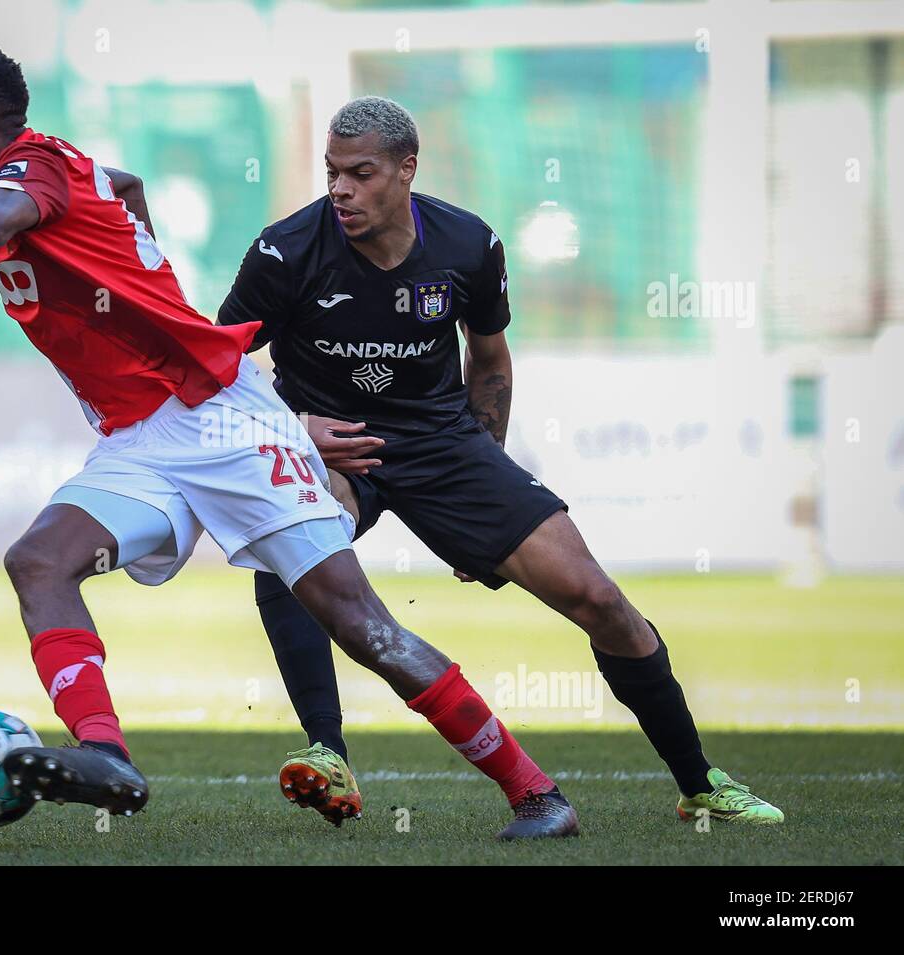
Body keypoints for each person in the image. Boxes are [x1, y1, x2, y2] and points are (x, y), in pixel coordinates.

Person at [0, 49, 577, 838]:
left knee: (364, 629)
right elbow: (121, 184)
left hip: (223, 418)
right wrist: (139, 255)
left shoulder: (35, 170)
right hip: (143, 437)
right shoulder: (56, 173)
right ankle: (109, 757)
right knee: (38, 562)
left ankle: (535, 791)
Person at [217, 95, 783, 827]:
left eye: (360, 173)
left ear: (406, 169)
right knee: (289, 542)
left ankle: (700, 780)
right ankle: (327, 752)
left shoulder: (467, 244)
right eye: (332, 173)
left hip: (445, 445)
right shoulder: (284, 251)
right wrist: (295, 430)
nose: (340, 190)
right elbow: (213, 363)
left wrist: (481, 502)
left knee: (600, 599)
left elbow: (489, 359)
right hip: (335, 444)